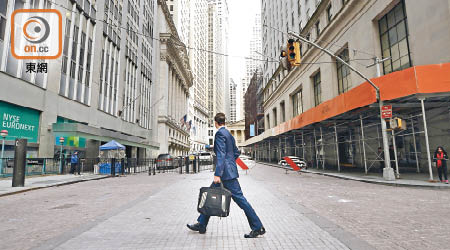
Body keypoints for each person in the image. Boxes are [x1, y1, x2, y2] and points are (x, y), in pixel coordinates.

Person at [187, 113, 265, 238]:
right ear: (224, 121)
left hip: (225, 175)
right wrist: (229, 163)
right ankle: (201, 223)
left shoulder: (219, 134)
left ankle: (257, 227)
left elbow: (221, 155)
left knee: (241, 200)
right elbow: (236, 152)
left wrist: (218, 173)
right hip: (228, 172)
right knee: (209, 195)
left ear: (216, 123)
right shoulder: (229, 134)